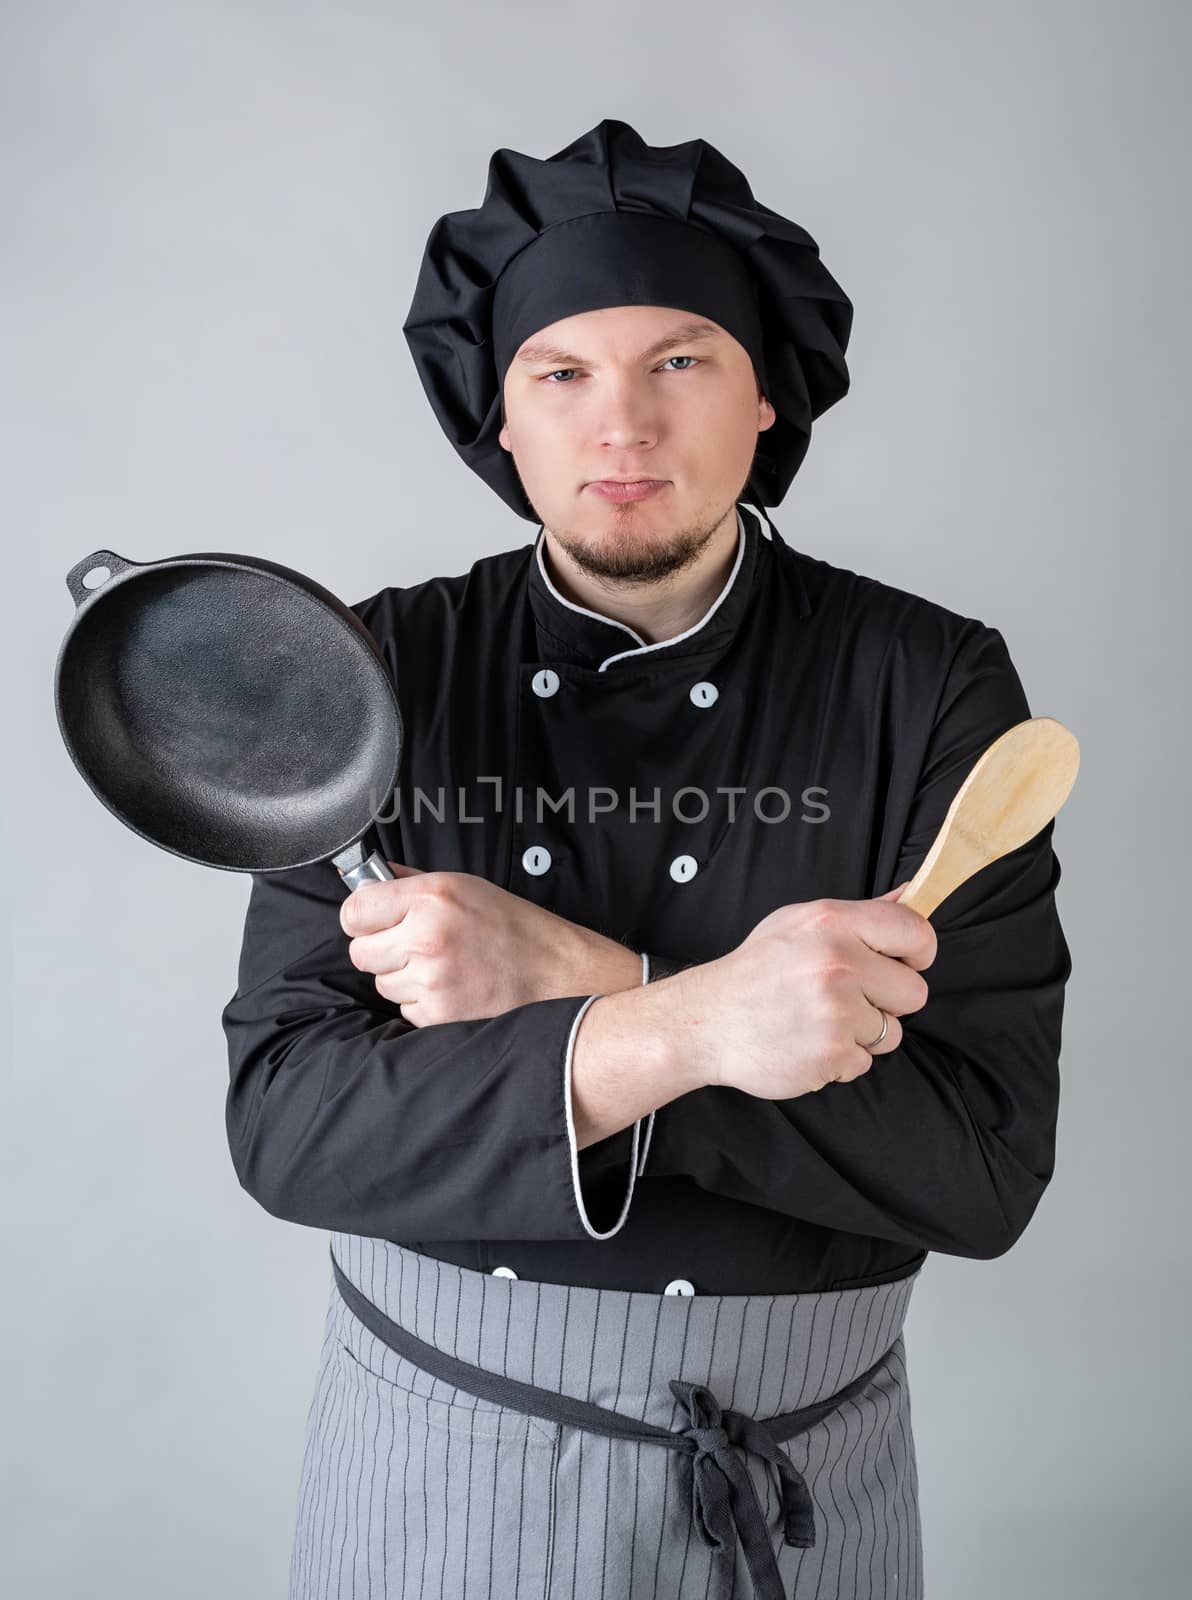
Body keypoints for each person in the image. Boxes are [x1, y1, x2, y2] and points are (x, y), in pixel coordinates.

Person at [221, 118, 1071, 1600]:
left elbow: (982, 1167)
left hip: (809, 1488)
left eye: (680, 361)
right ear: (501, 418)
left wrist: (578, 983)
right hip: (441, 1476)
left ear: (764, 403)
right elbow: (290, 1125)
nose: (621, 427)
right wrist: (694, 1024)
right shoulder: (370, 671)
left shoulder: (928, 683)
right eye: (562, 373)